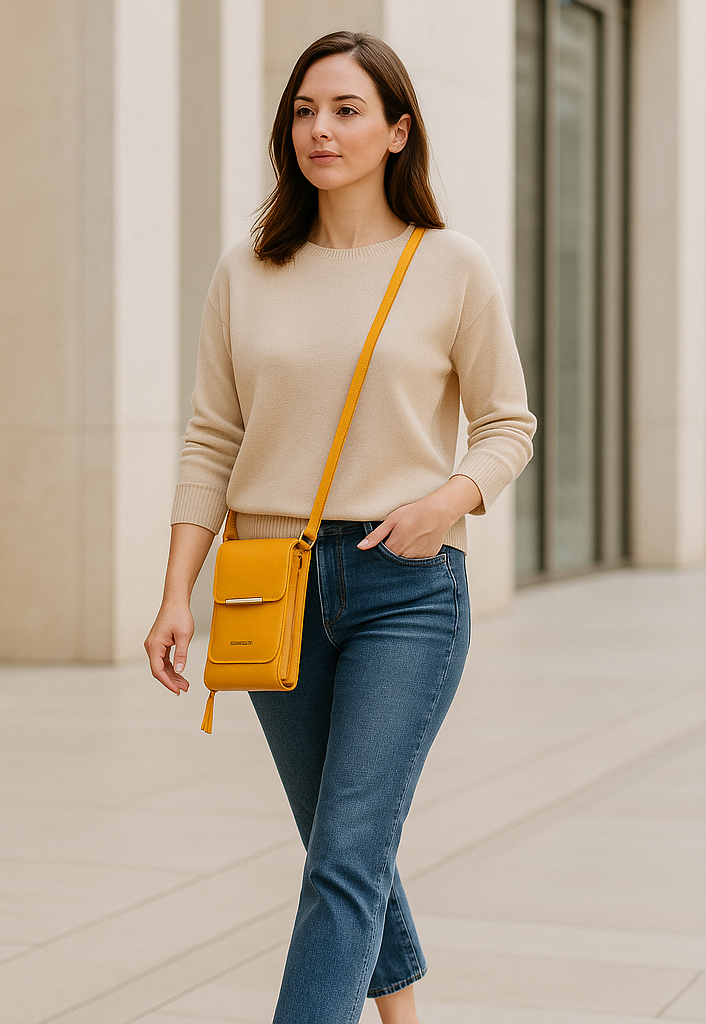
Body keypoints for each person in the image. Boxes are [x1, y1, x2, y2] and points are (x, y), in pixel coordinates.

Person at [145, 30, 536, 1024]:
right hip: (269, 586)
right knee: (339, 844)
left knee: (346, 854)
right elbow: (212, 436)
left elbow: (508, 424)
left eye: (347, 110)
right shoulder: (248, 269)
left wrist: (445, 501)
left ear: (398, 132)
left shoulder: (451, 266)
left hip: (405, 587)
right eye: (305, 111)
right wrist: (175, 591)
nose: (320, 129)